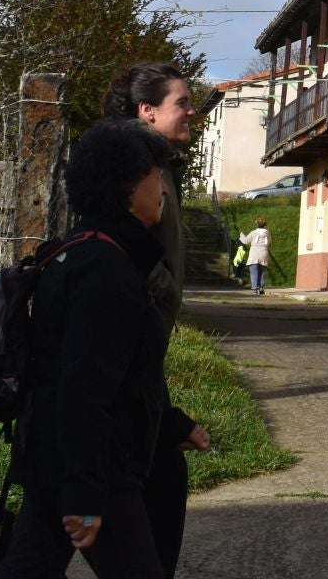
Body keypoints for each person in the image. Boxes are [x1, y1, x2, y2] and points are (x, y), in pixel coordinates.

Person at [0, 119, 186, 578]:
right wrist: (84, 492)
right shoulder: (105, 269)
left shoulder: (86, 250)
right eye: (153, 176)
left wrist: (175, 423)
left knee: (28, 567)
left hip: (58, 455)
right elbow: (85, 387)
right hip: (95, 465)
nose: (162, 189)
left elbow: (116, 370)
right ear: (126, 186)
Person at [101, 62, 207, 579]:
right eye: (181, 102)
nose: (192, 110)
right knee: (153, 479)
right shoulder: (134, 169)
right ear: (148, 111)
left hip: (141, 340)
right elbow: (128, 250)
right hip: (128, 338)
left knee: (144, 477)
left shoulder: (155, 163)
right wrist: (160, 295)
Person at [239, 216, 271, 294]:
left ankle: (255, 289)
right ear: (264, 225)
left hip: (254, 253)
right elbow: (269, 241)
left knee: (254, 272)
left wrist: (241, 235)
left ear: (257, 225)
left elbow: (246, 241)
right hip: (264, 252)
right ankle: (261, 288)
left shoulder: (253, 232)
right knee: (262, 271)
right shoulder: (268, 233)